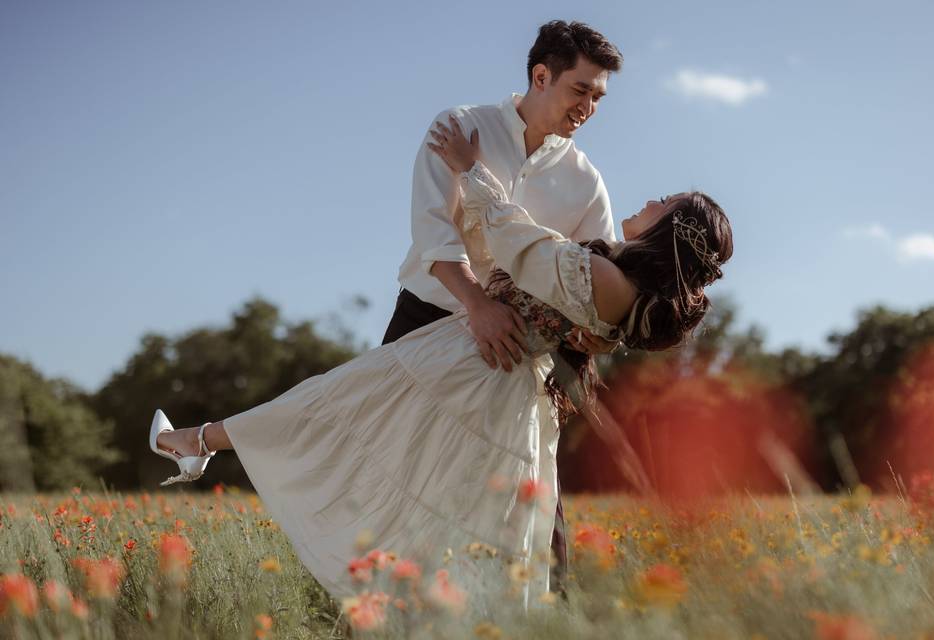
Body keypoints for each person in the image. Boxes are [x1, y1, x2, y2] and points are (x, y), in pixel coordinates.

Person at [148, 121, 733, 614]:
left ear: (671, 229)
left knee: (329, 408)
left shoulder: (607, 279)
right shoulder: (630, 294)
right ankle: (198, 445)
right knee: (466, 510)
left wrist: (469, 167)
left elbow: (517, 239)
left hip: (472, 362)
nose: (652, 200)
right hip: (514, 392)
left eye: (666, 202)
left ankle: (193, 443)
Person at [384, 19, 624, 590]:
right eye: (581, 89)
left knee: (534, 494)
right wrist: (476, 305)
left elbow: (598, 275)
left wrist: (590, 333)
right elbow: (433, 235)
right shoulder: (460, 129)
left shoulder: (586, 183)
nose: (589, 106)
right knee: (394, 471)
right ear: (541, 75)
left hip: (517, 349)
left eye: (598, 96)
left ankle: (551, 618)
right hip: (427, 316)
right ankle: (368, 613)